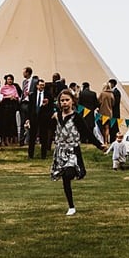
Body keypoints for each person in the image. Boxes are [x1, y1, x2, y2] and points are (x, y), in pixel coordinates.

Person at [50, 87, 105, 215]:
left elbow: (87, 133)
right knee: (65, 179)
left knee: (68, 173)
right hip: (60, 151)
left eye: (67, 100)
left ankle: (76, 171)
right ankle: (71, 206)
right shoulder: (57, 116)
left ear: (73, 101)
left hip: (73, 151)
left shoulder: (76, 117)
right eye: (62, 100)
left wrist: (99, 145)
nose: (64, 103)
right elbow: (48, 127)